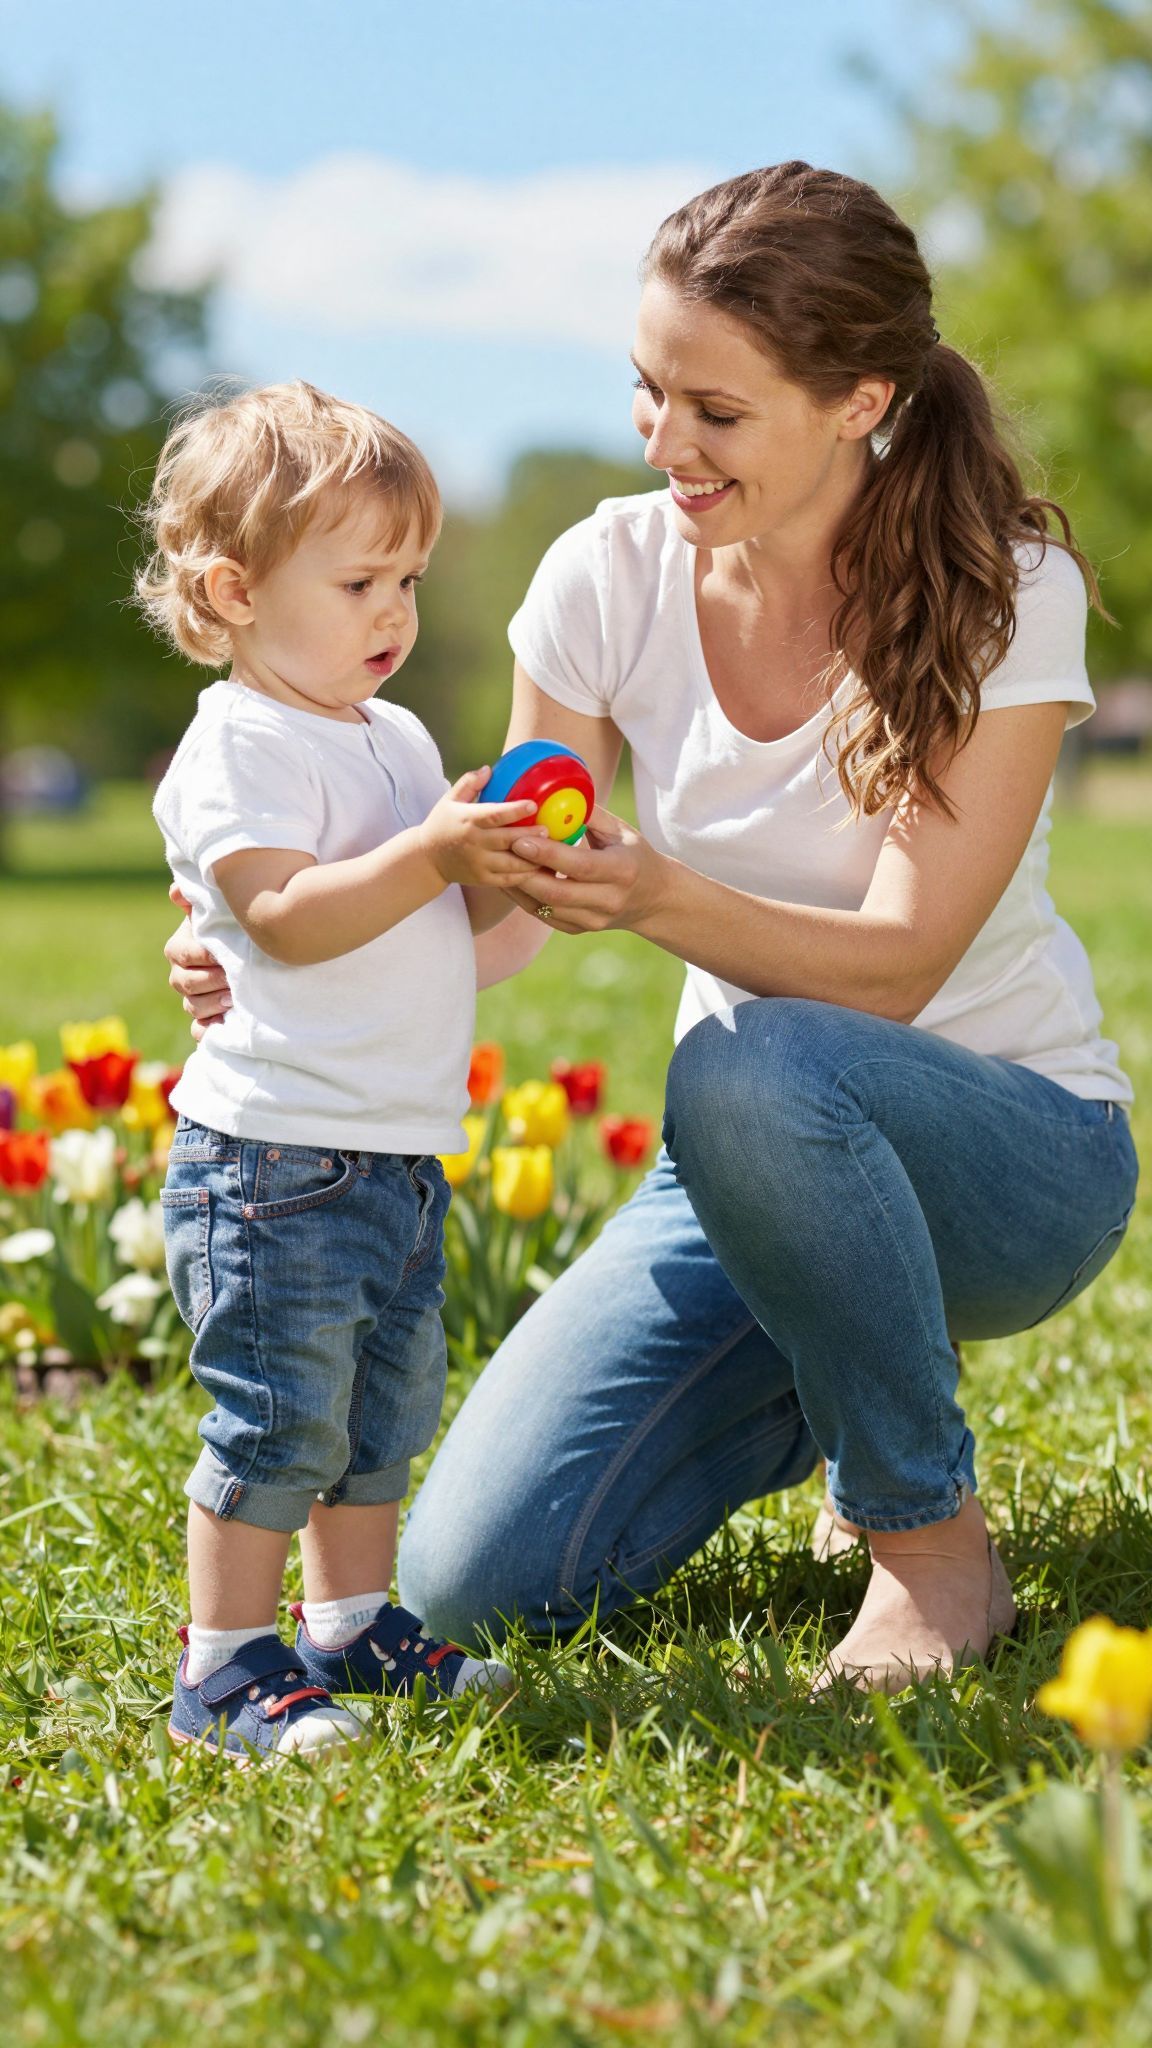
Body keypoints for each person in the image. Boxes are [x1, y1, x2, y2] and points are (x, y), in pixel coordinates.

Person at [167, 168, 1139, 1694]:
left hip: (1012, 1155)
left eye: (717, 410)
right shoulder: (604, 578)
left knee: (754, 1068)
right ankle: (848, 1358)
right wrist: (284, 933)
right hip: (751, 1169)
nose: (665, 444)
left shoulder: (1005, 592)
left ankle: (929, 1548)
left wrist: (669, 899)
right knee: (478, 1575)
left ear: (857, 399)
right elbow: (497, 909)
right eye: (647, 392)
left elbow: (901, 966)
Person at [140, 382, 526, 1760]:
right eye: (358, 579)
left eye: (409, 579)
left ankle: (350, 1625)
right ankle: (225, 1670)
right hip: (274, 1161)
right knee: (277, 1420)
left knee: (378, 1418)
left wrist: (514, 874)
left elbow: (455, 939)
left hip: (395, 1153)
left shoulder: (399, 739)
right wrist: (431, 852)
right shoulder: (235, 745)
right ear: (233, 591)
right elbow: (291, 921)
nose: (393, 613)